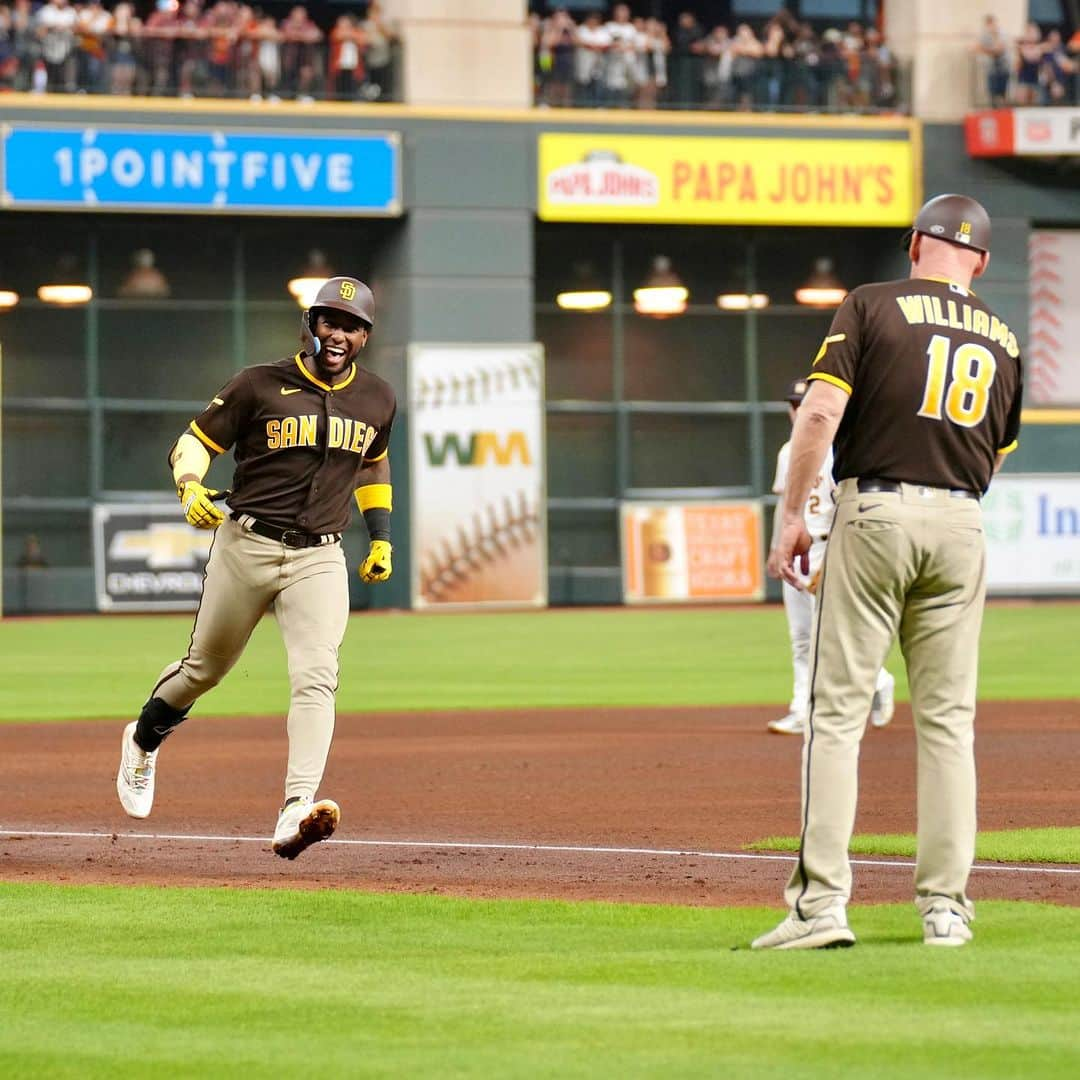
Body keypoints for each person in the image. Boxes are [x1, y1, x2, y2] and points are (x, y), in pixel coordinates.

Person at [752, 193, 1023, 950]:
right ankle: (945, 910)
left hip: (876, 511)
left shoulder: (872, 305)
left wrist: (792, 516)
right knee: (949, 724)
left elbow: (816, 415)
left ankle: (819, 909)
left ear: (913, 245)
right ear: (983, 262)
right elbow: (998, 450)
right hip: (963, 521)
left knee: (835, 714)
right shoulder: (1004, 336)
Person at [116, 276, 397, 860]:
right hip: (246, 545)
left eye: (351, 325)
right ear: (310, 324)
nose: (339, 333)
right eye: (329, 320)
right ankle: (144, 740)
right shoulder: (258, 384)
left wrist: (382, 537)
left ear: (365, 335)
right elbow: (191, 443)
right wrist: (188, 485)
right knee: (204, 670)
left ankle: (297, 809)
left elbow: (372, 466)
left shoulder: (377, 398)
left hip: (320, 555)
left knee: (316, 675)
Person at [766, 377, 894, 736]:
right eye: (793, 404)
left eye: (802, 403)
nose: (797, 410)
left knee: (834, 637)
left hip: (829, 545)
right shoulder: (787, 452)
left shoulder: (843, 447)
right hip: (797, 547)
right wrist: (778, 546)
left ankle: (877, 681)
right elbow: (784, 504)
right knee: (802, 636)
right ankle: (801, 709)